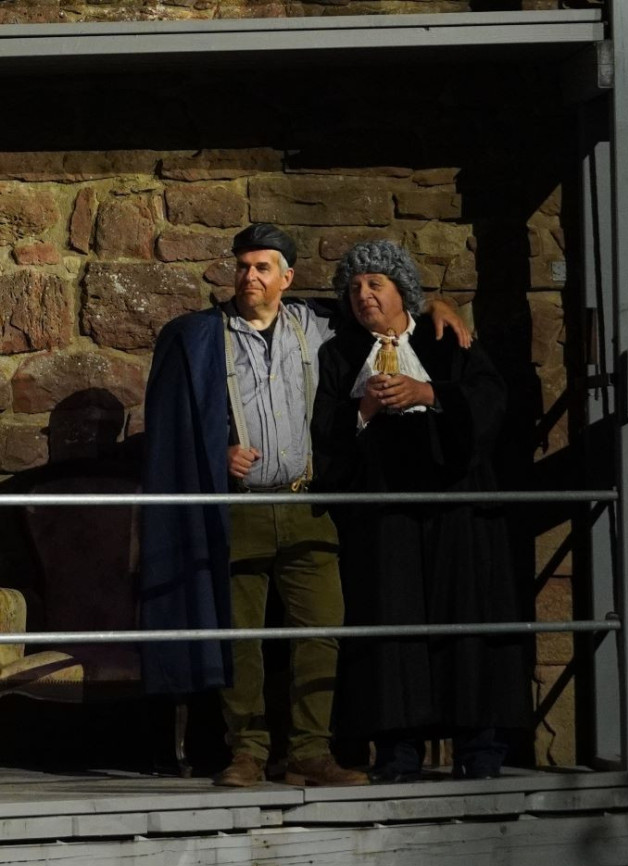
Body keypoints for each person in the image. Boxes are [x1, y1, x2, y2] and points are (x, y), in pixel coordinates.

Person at [140, 223, 470, 789]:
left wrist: (434, 303)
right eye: (243, 266)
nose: (250, 276)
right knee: (240, 638)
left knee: (321, 630)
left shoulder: (318, 326)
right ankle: (247, 752)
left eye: (263, 267)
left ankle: (309, 753)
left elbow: (381, 307)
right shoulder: (204, 336)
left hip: (307, 505)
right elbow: (176, 426)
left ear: (287, 277)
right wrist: (216, 454)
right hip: (239, 508)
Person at [312, 239, 532, 782]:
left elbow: (492, 401)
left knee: (469, 619)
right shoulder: (339, 355)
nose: (363, 295)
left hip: (457, 508)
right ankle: (397, 750)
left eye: (375, 284)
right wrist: (364, 408)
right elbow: (326, 430)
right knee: (391, 626)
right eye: (354, 287)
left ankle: (479, 748)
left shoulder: (446, 339)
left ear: (402, 290)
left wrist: (429, 394)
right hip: (385, 514)